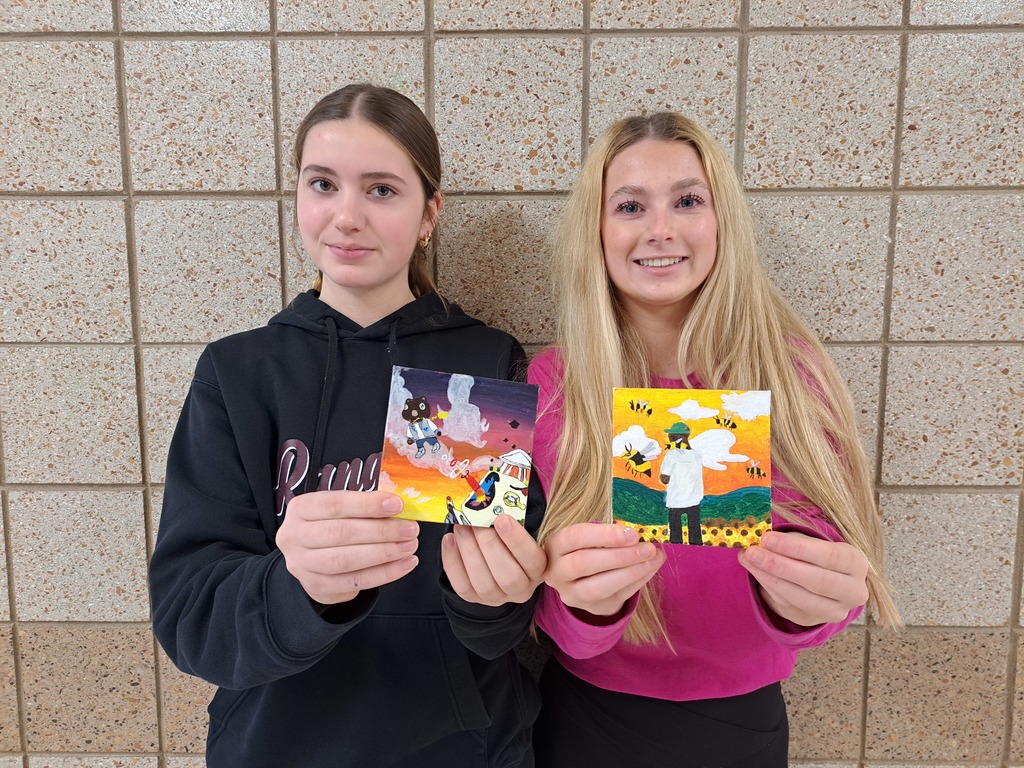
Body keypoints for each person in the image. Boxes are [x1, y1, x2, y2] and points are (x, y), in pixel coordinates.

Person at [149, 84, 547, 768]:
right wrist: (293, 587)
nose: (347, 216)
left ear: (430, 214)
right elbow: (192, 620)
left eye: (382, 190)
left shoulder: (481, 364)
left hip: (462, 745)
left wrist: (493, 597)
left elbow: (505, 619)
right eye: (323, 184)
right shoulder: (238, 374)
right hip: (274, 745)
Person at [526, 112, 900, 767]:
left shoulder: (790, 376)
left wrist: (811, 607)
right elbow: (526, 611)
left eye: (688, 201)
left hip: (742, 723)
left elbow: (827, 595)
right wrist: (578, 605)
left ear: (723, 220)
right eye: (631, 205)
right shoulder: (551, 383)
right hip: (581, 717)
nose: (660, 229)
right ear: (597, 230)